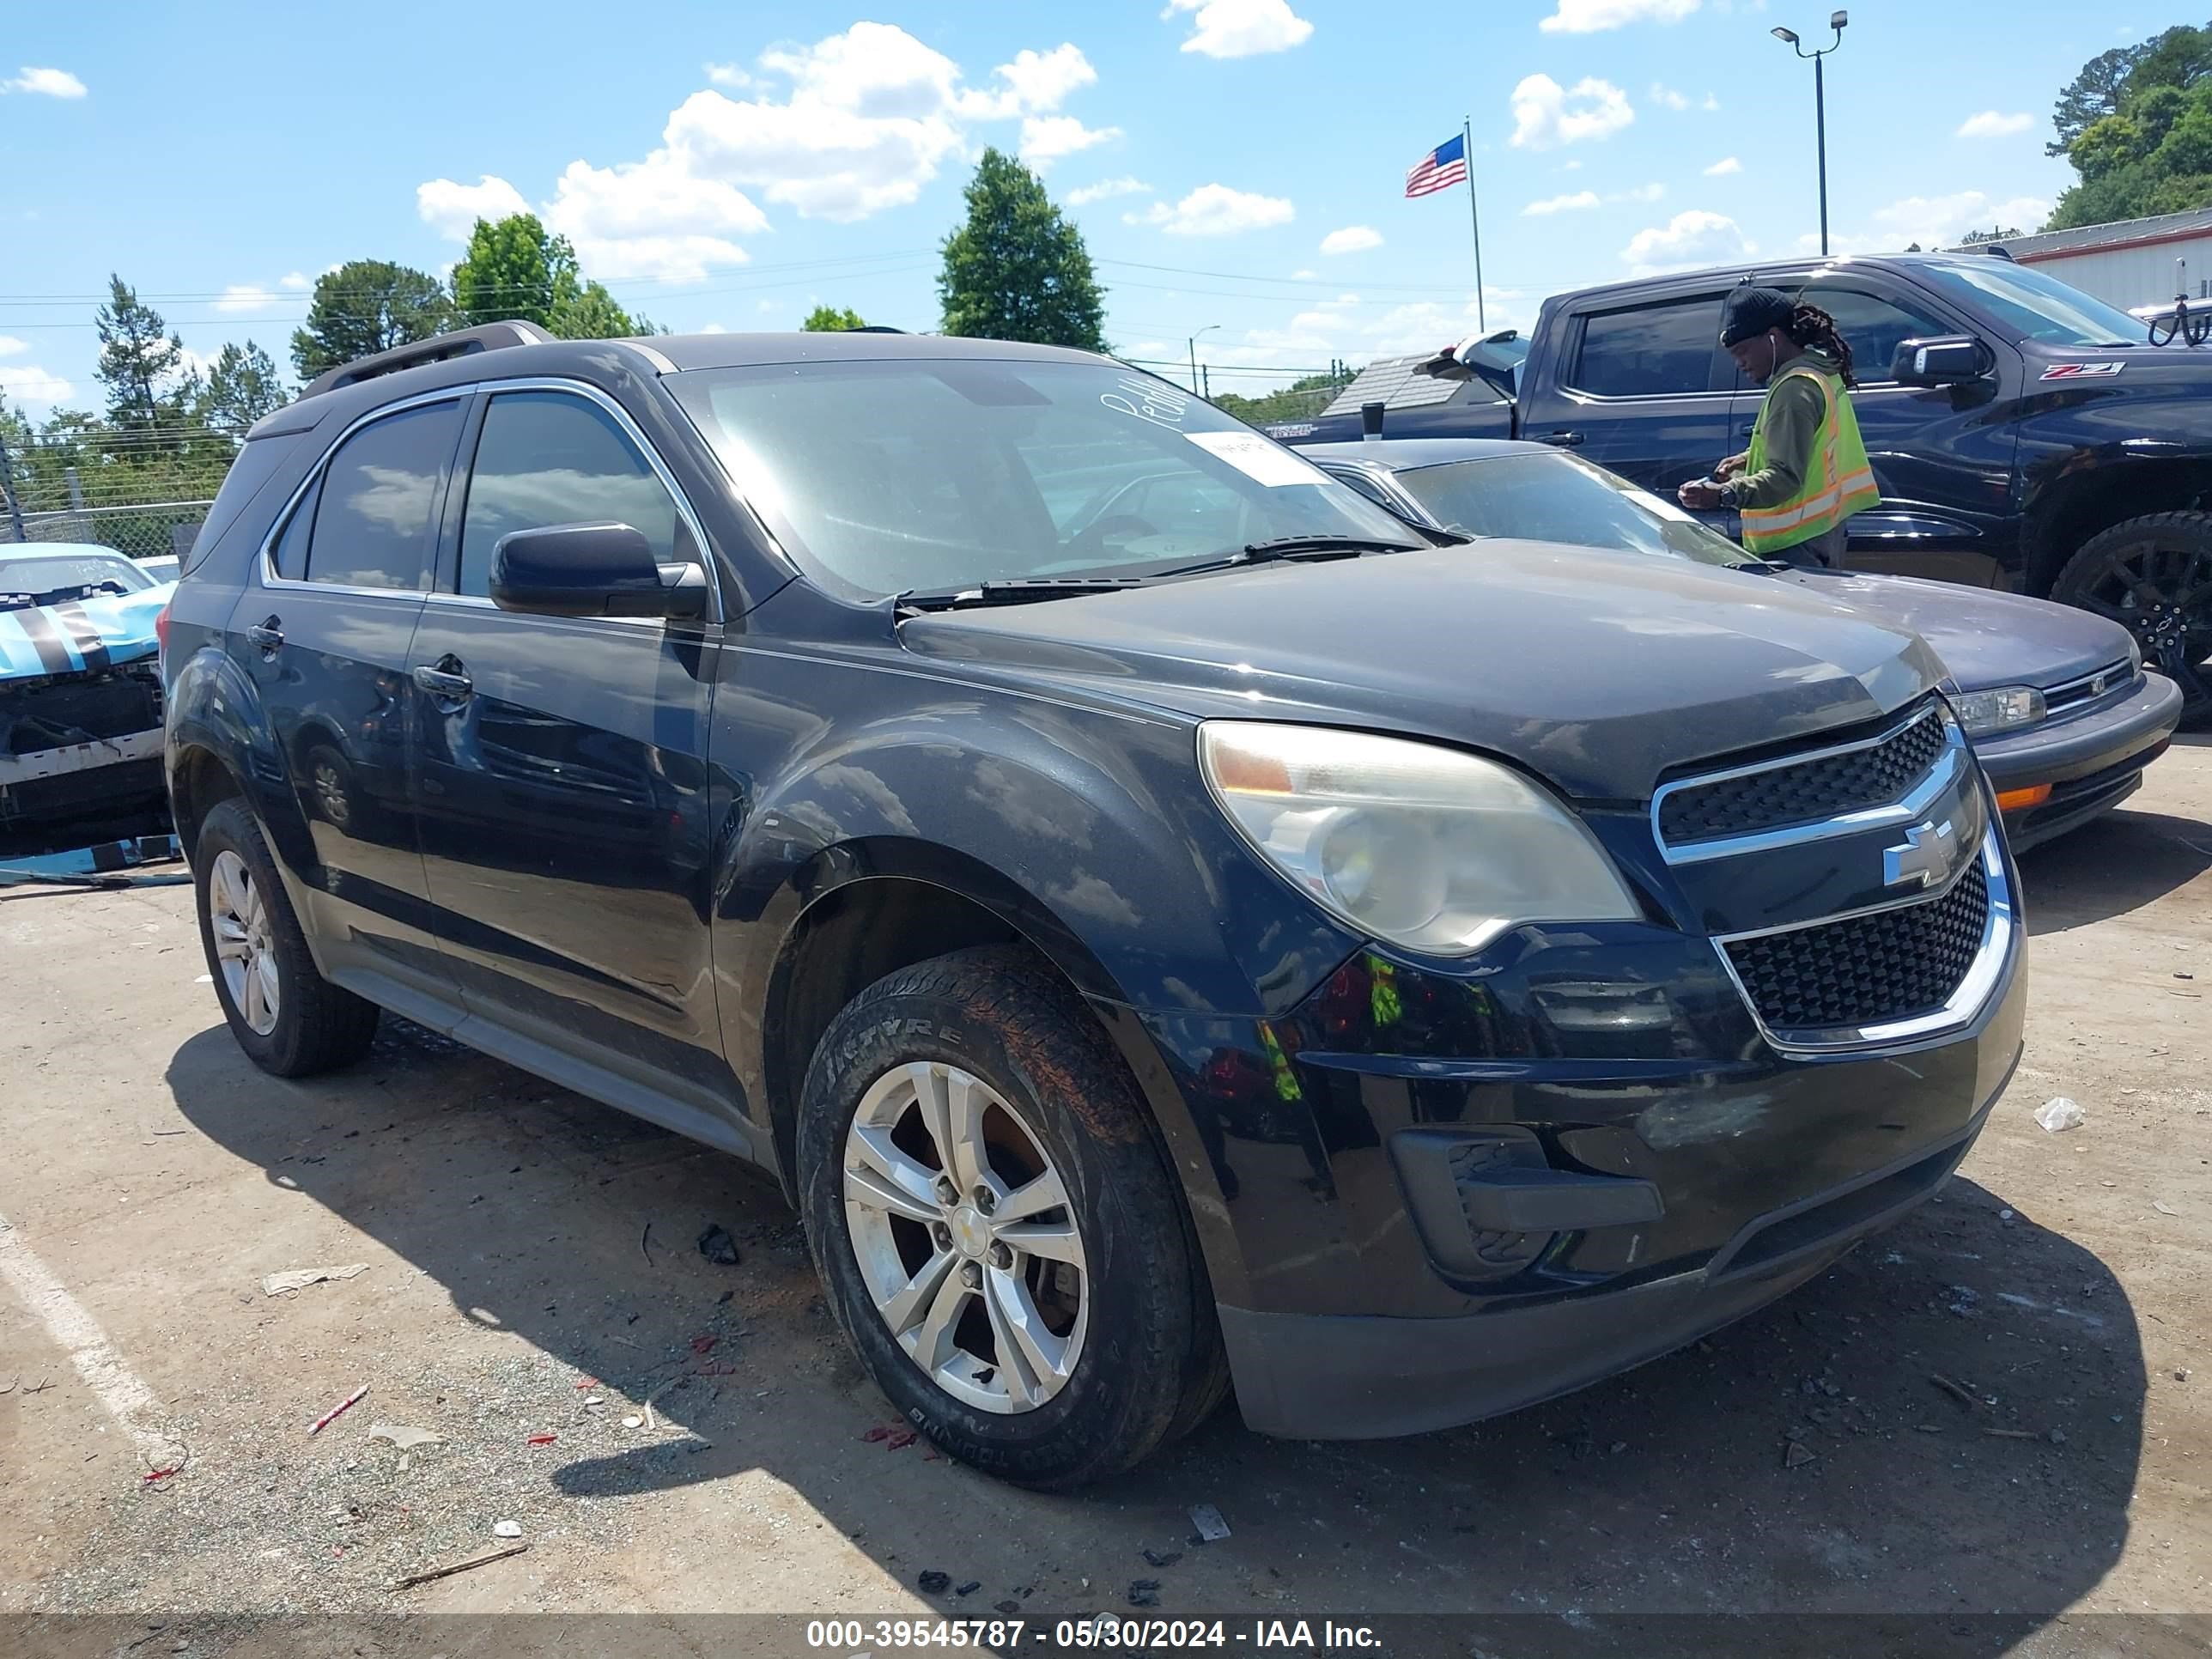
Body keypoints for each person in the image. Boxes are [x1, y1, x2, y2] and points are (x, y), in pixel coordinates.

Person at [1678, 284, 1880, 569]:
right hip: (1824, 531)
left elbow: (1784, 478)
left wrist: (1722, 494)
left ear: (1773, 337)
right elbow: (1811, 445)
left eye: (1743, 351)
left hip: (1794, 544)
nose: (1739, 364)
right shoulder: (1821, 374)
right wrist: (1747, 460)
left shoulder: (1793, 390)